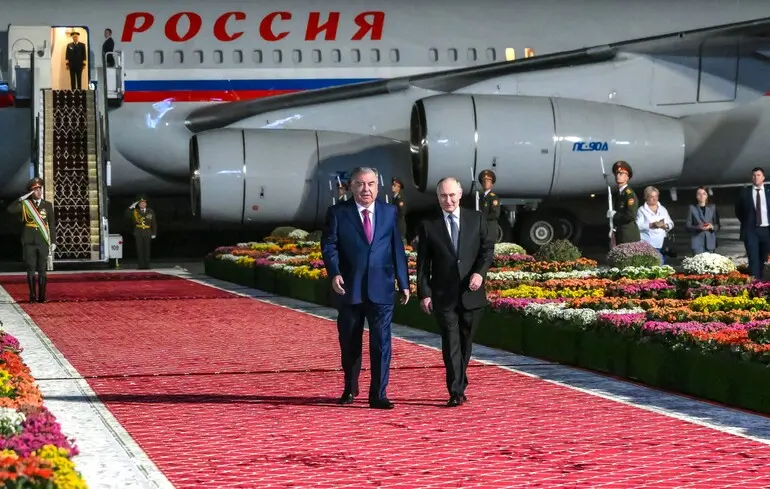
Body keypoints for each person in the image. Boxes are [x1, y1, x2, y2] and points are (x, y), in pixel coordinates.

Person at [321, 167, 410, 409]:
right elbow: (329, 246)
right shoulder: (338, 213)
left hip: (381, 287)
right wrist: (335, 272)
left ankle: (378, 394)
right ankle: (350, 386)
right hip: (349, 288)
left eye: (370, 184)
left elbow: (396, 248)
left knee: (381, 342)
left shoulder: (389, 212)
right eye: (360, 184)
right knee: (350, 342)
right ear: (351, 186)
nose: (366, 189)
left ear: (377, 187)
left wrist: (403, 282)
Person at [416, 177, 495, 407]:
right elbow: (423, 264)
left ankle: (460, 380)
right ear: (438, 197)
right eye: (443, 196)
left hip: (471, 294)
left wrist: (479, 273)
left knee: (465, 342)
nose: (448, 200)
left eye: (452, 195)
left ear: (460, 195)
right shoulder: (429, 224)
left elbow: (487, 250)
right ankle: (455, 390)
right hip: (443, 295)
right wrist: (425, 293)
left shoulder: (476, 219)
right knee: (451, 342)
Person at [6, 178, 56, 303]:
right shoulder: (26, 205)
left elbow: (51, 225)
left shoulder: (47, 205)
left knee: (42, 270)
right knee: (31, 270)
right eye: (35, 190)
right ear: (31, 192)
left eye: (40, 189)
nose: (39, 192)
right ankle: (32, 296)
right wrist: (22, 198)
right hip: (29, 242)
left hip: (42, 241)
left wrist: (53, 241)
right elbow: (10, 209)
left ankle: (42, 297)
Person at [735, 167, 770, 280]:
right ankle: (756, 284)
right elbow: (738, 211)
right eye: (754, 175)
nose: (756, 177)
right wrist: (747, 223)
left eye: (758, 175)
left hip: (766, 230)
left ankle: (763, 283)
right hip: (751, 231)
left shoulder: (768, 191)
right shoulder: (745, 192)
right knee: (753, 259)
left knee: (764, 259)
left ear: (763, 177)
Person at [636, 186, 674, 263]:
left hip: (660, 244)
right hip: (646, 244)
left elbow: (671, 223)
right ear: (646, 197)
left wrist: (666, 226)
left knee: (660, 265)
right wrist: (651, 225)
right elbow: (637, 225)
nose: (654, 199)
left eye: (656, 196)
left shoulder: (662, 209)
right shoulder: (641, 210)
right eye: (651, 197)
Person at [609, 160, 641, 245]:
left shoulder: (629, 194)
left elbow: (631, 215)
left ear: (627, 177)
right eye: (617, 173)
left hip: (628, 236)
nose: (618, 176)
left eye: (621, 173)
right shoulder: (620, 193)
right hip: (621, 234)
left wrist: (615, 215)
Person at [687, 186, 720, 255]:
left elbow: (718, 225)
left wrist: (711, 226)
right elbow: (688, 226)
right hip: (697, 242)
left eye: (704, 193)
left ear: (707, 195)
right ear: (696, 196)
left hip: (710, 242)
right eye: (699, 194)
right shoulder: (692, 208)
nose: (701, 196)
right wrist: (698, 227)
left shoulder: (713, 207)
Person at [126, 196, 157, 269]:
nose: (142, 204)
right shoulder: (135, 212)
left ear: (146, 204)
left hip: (147, 232)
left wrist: (154, 233)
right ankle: (140, 265)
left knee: (147, 249)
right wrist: (131, 207)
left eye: (143, 203)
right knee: (139, 249)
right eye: (141, 203)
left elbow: (153, 223)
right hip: (138, 232)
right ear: (139, 205)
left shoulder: (150, 211)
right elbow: (127, 214)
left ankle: (147, 265)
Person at [477, 169, 501, 240]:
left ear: (492, 184)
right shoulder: (480, 197)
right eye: (484, 181)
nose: (486, 183)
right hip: (482, 229)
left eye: (488, 181)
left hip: (489, 230)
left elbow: (495, 214)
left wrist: (482, 218)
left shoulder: (493, 197)